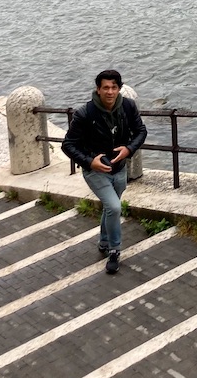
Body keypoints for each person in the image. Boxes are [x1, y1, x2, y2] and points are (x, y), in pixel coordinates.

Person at [62, 69, 147, 274]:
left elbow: (141, 131)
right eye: (105, 88)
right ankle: (114, 250)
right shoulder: (85, 114)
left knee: (111, 207)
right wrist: (90, 162)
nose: (110, 92)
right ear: (98, 89)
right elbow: (68, 144)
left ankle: (103, 241)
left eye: (114, 87)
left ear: (119, 88)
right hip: (95, 171)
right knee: (115, 207)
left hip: (119, 169)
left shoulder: (128, 106)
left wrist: (129, 149)